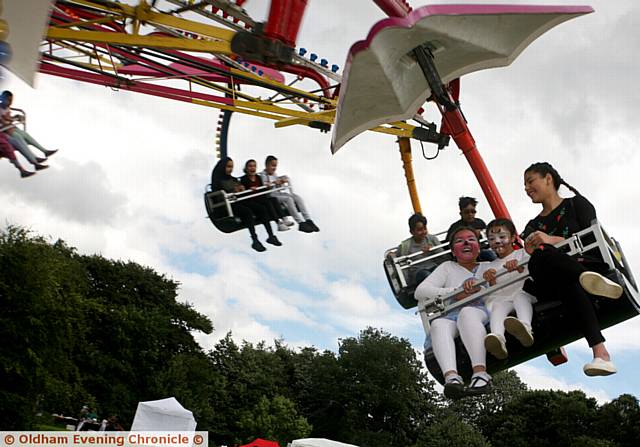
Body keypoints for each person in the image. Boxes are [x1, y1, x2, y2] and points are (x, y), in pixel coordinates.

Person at [521, 162, 623, 376]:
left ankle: (601, 354)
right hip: (550, 276)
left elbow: (590, 236)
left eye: (530, 181)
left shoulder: (577, 204)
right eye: (525, 185)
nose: (527, 188)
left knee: (568, 283)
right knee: (541, 257)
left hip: (583, 264)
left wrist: (552, 239)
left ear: (548, 178)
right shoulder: (532, 225)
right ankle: (589, 280)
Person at [415, 227, 493, 399]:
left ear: (479, 247)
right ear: (453, 251)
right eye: (459, 241)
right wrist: (455, 292)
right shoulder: (447, 267)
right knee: (438, 324)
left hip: (482, 311)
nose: (466, 243)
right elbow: (420, 291)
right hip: (453, 314)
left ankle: (480, 373)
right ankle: (451, 378)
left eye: (471, 239)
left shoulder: (488, 266)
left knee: (467, 313)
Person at [481, 218, 536, 360]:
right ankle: (498, 338)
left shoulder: (522, 253)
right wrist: (491, 281)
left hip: (525, 291)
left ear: (512, 238)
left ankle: (525, 327)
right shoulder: (488, 266)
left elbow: (534, 270)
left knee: (520, 297)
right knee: (498, 306)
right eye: (492, 239)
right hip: (505, 298)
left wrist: (519, 267)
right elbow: (492, 293)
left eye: (502, 237)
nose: (497, 241)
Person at [211, 157, 282, 252]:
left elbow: (240, 188)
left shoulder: (233, 179)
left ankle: (271, 235)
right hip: (227, 206)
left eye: (231, 167)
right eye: (228, 167)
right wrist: (232, 191)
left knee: (261, 208)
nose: (230, 169)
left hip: (238, 201)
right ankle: (255, 240)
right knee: (247, 212)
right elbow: (219, 195)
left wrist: (241, 188)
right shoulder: (218, 180)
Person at [259, 155, 319, 233]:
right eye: (272, 165)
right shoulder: (263, 175)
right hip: (271, 196)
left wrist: (281, 182)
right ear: (267, 165)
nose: (274, 168)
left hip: (278, 193)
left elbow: (280, 187)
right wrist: (274, 183)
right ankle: (300, 222)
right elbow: (266, 187)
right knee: (288, 199)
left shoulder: (274, 174)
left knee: (297, 197)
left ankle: (308, 220)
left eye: (275, 166)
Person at [0, 90, 58, 163]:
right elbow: (5, 120)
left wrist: (15, 117)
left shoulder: (7, 108)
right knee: (19, 137)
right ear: (3, 99)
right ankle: (33, 158)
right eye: (8, 100)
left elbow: (9, 118)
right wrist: (14, 118)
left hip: (10, 127)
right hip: (4, 130)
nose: (10, 102)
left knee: (25, 135)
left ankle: (44, 151)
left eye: (11, 100)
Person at [240, 159, 290, 232]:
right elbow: (243, 190)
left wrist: (268, 186)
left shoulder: (258, 177)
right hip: (252, 199)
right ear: (246, 168)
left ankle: (283, 218)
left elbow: (262, 189)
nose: (252, 168)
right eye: (250, 166)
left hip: (261, 197)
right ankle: (278, 222)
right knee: (267, 203)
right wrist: (250, 189)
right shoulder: (243, 179)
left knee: (273, 199)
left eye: (254, 166)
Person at [395, 213, 444, 285]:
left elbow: (443, 255)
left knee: (439, 273)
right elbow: (395, 255)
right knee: (427, 276)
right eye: (420, 230)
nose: (423, 232)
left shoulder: (431, 239)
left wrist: (433, 249)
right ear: (412, 232)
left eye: (425, 228)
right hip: (418, 273)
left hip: (433, 267)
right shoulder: (406, 245)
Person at [445, 196, 496, 262]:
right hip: (467, 253)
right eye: (467, 212)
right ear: (461, 213)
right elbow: (448, 246)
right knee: (489, 254)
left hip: (483, 249)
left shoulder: (480, 222)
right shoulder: (455, 227)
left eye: (473, 212)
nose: (470, 214)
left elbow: (488, 238)